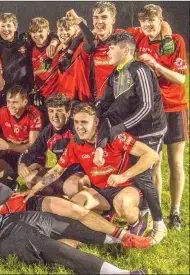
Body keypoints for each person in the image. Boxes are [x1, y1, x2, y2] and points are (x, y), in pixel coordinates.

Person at [0, 184, 148, 274]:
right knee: (53, 247)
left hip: (8, 220)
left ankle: (120, 241)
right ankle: (122, 274)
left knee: (63, 224)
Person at [26, 103, 160, 241]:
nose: (79, 127)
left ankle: (137, 222)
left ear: (96, 122)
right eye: (76, 122)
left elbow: (152, 156)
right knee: (75, 206)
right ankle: (106, 215)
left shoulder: (115, 137)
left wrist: (123, 176)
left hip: (125, 188)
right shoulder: (76, 144)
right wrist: (35, 188)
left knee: (122, 204)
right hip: (100, 190)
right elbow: (58, 170)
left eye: (84, 122)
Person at [0, 168, 152, 249]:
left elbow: (5, 192)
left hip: (29, 203)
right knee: (66, 240)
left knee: (76, 211)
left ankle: (124, 235)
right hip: (17, 225)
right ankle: (115, 243)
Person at [94, 32, 168, 244]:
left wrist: (120, 128)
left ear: (125, 50)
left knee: (142, 175)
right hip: (131, 130)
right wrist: (91, 115)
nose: (108, 51)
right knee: (137, 175)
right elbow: (104, 104)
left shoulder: (140, 70)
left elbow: (146, 106)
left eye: (112, 48)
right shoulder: (115, 74)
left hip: (151, 129)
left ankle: (159, 224)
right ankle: (142, 212)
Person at [131, 4, 187, 230]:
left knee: (176, 162)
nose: (147, 27)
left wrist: (156, 66)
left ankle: (175, 211)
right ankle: (157, 210)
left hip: (174, 109)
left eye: (152, 22)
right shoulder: (140, 37)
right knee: (154, 163)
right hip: (152, 111)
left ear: (160, 20)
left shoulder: (175, 41)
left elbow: (181, 79)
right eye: (144, 23)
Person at [18, 93, 87, 198]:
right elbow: (32, 151)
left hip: (79, 172)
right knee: (30, 179)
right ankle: (58, 196)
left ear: (68, 113)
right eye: (51, 111)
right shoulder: (48, 131)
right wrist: (22, 164)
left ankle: (75, 193)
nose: (54, 116)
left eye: (59, 111)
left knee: (71, 188)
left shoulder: (77, 128)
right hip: (60, 171)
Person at [0, 85, 42, 189]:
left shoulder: (34, 115)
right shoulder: (3, 112)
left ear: (24, 102)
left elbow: (31, 147)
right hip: (11, 156)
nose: (10, 105)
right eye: (8, 101)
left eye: (14, 102)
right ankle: (9, 184)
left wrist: (8, 146)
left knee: (32, 182)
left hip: (30, 157)